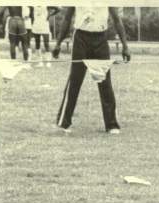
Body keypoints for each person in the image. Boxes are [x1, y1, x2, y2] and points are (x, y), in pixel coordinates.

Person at [53, 5, 130, 135]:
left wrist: (125, 46)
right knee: (74, 81)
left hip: (100, 38)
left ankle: (111, 124)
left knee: (105, 81)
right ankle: (64, 122)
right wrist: (58, 43)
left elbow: (117, 19)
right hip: (80, 38)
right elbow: (67, 18)